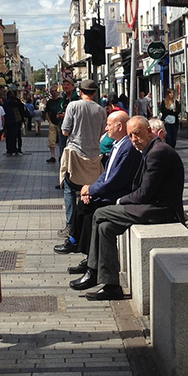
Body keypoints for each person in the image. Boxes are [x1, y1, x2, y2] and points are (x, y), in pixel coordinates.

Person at [70, 116, 186, 300]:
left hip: (159, 210)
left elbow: (144, 193)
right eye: (130, 135)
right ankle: (111, 285)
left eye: (137, 134)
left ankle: (92, 271)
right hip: (149, 206)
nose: (133, 140)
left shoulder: (158, 152)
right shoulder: (149, 150)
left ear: (150, 131)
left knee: (100, 213)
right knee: (105, 227)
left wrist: (119, 201)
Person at [56, 111, 143, 269]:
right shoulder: (118, 145)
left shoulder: (128, 148)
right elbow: (106, 174)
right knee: (83, 204)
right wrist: (89, 188)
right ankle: (83, 251)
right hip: (111, 190)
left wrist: (92, 191)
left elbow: (114, 180)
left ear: (119, 126)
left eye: (109, 125)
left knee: (90, 210)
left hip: (120, 195)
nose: (105, 128)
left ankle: (86, 255)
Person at [60, 79, 107, 235]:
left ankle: (71, 225)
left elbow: (65, 130)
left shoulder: (73, 106)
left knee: (69, 189)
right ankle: (88, 224)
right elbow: (102, 132)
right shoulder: (101, 110)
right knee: (88, 191)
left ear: (80, 91)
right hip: (93, 155)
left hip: (75, 153)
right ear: (94, 93)